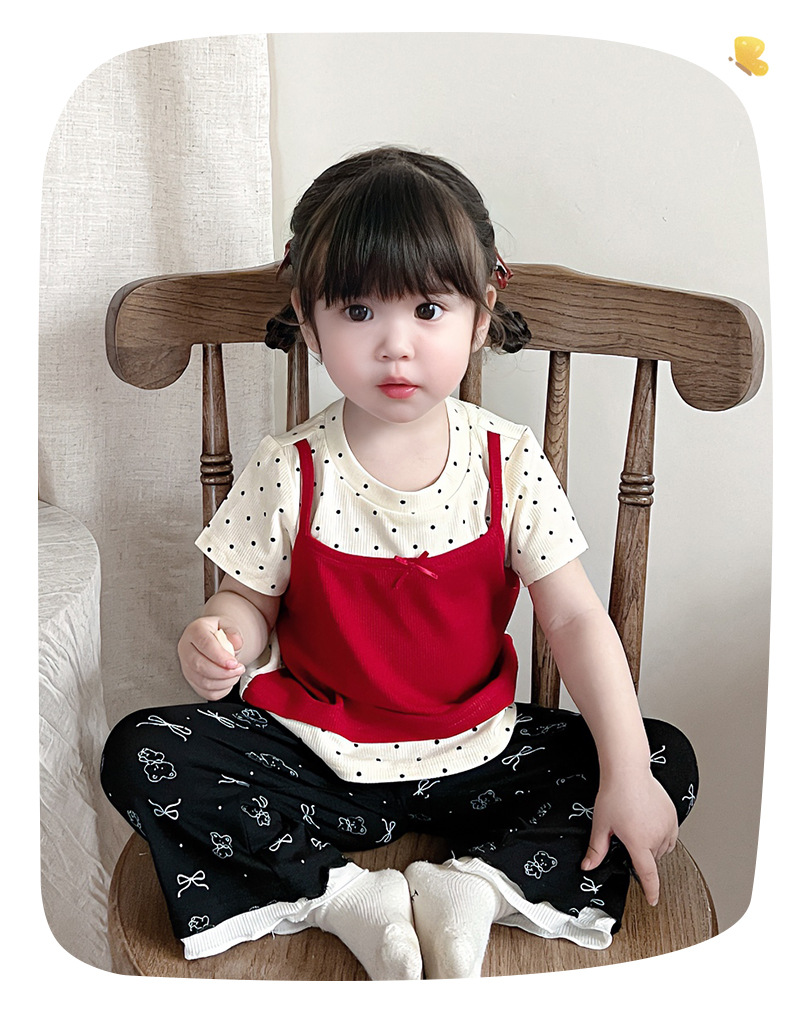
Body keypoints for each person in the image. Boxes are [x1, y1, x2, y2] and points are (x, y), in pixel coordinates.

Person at [101, 146, 698, 981]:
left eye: (427, 308)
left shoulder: (508, 460)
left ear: (480, 316)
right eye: (358, 310)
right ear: (309, 321)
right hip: (316, 758)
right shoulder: (290, 467)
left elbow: (571, 616)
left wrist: (626, 769)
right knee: (138, 749)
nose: (395, 345)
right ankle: (341, 894)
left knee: (660, 755)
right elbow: (246, 602)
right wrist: (217, 634)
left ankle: (475, 888)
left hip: (479, 755)